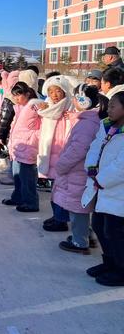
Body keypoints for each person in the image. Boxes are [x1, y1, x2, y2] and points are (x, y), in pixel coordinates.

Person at [53, 84, 108, 254]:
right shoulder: (90, 120)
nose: (74, 101)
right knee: (80, 208)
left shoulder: (87, 124)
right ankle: (84, 236)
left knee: (78, 209)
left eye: (76, 98)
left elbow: (78, 149)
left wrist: (61, 165)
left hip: (77, 173)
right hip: (80, 172)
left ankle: (80, 241)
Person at [83, 90, 124, 286]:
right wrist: (91, 167)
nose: (109, 109)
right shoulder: (106, 126)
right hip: (102, 186)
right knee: (99, 225)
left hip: (117, 190)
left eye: (114, 106)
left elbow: (121, 165)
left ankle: (121, 269)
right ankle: (110, 262)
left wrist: (102, 179)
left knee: (115, 230)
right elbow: (94, 147)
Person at [36, 75, 75, 232]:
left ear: (65, 91)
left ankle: (61, 219)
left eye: (58, 91)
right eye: (51, 92)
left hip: (64, 154)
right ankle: (57, 216)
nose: (55, 95)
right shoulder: (47, 108)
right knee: (54, 190)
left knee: (61, 190)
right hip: (49, 153)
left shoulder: (71, 108)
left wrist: (72, 117)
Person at [2, 81, 40, 212]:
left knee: (27, 178)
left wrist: (34, 138)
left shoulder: (34, 106)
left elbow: (46, 119)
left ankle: (31, 202)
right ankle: (18, 197)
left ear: (27, 94)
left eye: (19, 95)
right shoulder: (19, 108)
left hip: (28, 146)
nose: (17, 98)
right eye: (15, 95)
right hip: (17, 147)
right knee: (17, 176)